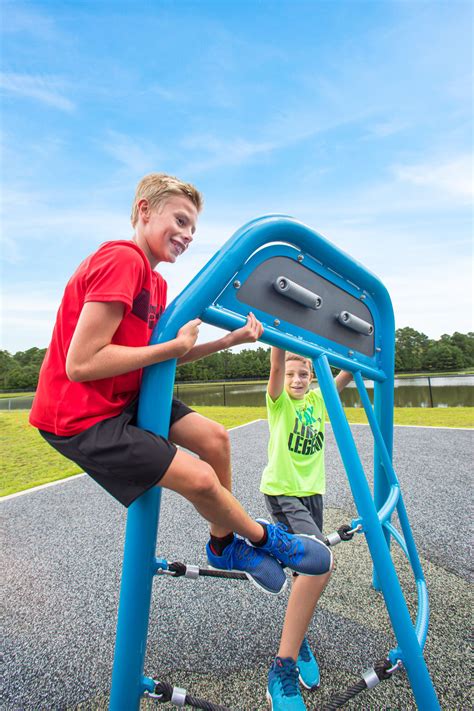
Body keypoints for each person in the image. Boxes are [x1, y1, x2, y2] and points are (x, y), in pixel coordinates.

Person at [29, 172, 330, 595]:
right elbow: (80, 364)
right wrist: (169, 349)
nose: (188, 235)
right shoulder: (122, 260)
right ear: (144, 210)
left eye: (193, 227)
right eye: (181, 220)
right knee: (202, 479)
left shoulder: (156, 281)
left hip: (124, 394)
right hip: (81, 417)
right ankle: (267, 538)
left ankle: (224, 544)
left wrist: (229, 339)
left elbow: (166, 352)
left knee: (215, 438)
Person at [262, 347, 353, 709]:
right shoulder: (279, 402)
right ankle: (283, 664)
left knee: (306, 570)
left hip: (312, 494)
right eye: (291, 374)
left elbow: (344, 373)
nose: (298, 380)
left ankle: (297, 640)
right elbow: (276, 362)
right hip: (284, 494)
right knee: (319, 562)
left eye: (305, 374)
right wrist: (280, 328)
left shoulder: (318, 399)